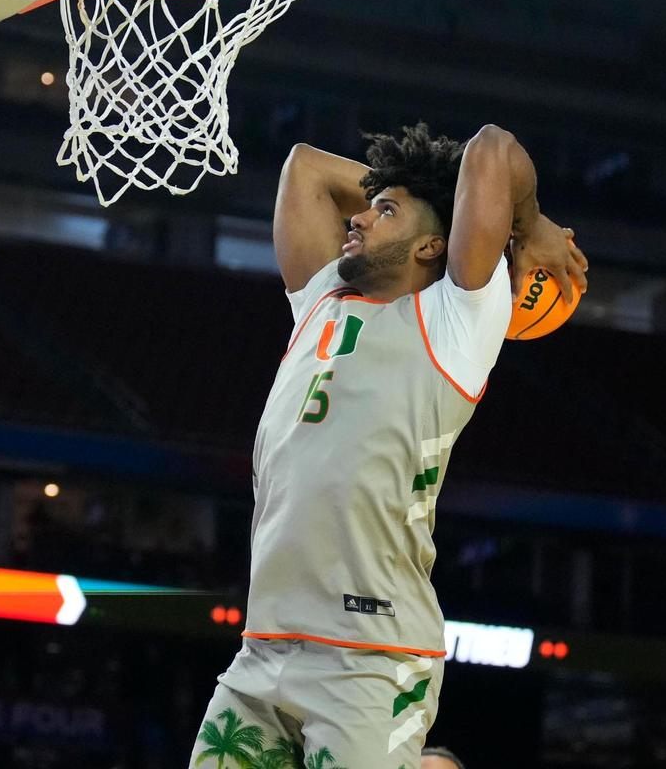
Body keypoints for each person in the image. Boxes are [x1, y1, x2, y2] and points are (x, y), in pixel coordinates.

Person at [189, 124, 588, 768]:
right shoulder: (322, 298)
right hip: (263, 647)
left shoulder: (457, 321)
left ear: (436, 244)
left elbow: (491, 148)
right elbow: (305, 169)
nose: (361, 216)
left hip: (369, 658)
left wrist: (526, 222)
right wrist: (407, 194)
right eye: (369, 204)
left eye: (385, 210)